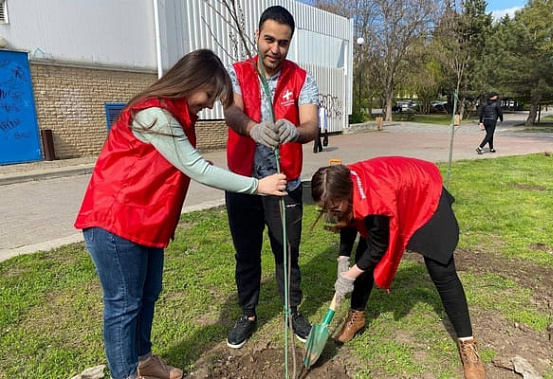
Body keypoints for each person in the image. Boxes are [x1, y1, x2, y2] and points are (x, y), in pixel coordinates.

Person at [74, 49, 287, 379]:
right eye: (208, 95)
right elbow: (195, 166)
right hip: (116, 222)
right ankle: (125, 374)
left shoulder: (174, 116)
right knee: (123, 305)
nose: (209, 104)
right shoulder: (154, 114)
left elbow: (174, 163)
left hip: (145, 224)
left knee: (147, 295)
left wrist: (191, 170)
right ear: (192, 80)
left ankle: (144, 361)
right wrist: (258, 186)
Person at [310, 156, 486, 379]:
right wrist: (342, 260)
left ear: (347, 193)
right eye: (325, 209)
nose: (330, 213)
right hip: (391, 194)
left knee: (441, 270)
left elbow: (378, 247)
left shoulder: (373, 199)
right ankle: (357, 316)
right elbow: (348, 220)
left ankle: (468, 344)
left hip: (423, 193)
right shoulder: (343, 186)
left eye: (333, 207)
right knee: (361, 258)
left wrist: (350, 275)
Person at [223, 5, 319, 349]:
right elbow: (231, 111)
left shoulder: (302, 78)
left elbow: (311, 125)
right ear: (257, 36)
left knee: (287, 252)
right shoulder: (236, 73)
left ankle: (293, 311)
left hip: (284, 184)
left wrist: (296, 131)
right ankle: (248, 313)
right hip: (243, 183)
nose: (274, 50)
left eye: (283, 43)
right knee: (246, 253)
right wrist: (251, 127)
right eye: (269, 40)